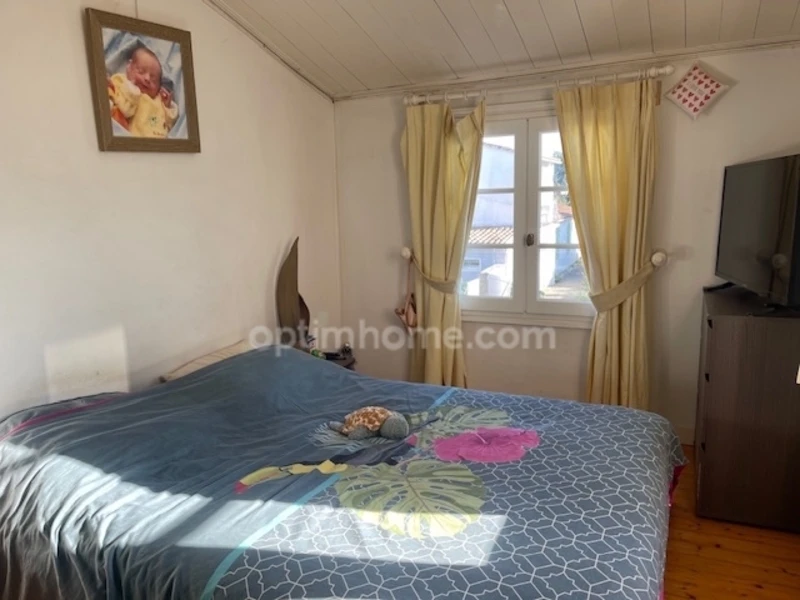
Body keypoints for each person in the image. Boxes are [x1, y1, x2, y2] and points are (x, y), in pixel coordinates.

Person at [107, 45, 179, 138]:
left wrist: (167, 106)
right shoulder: (121, 82)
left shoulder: (157, 100)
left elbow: (169, 125)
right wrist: (132, 89)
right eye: (141, 71)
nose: (147, 78)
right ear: (129, 68)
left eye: (153, 80)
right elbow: (125, 111)